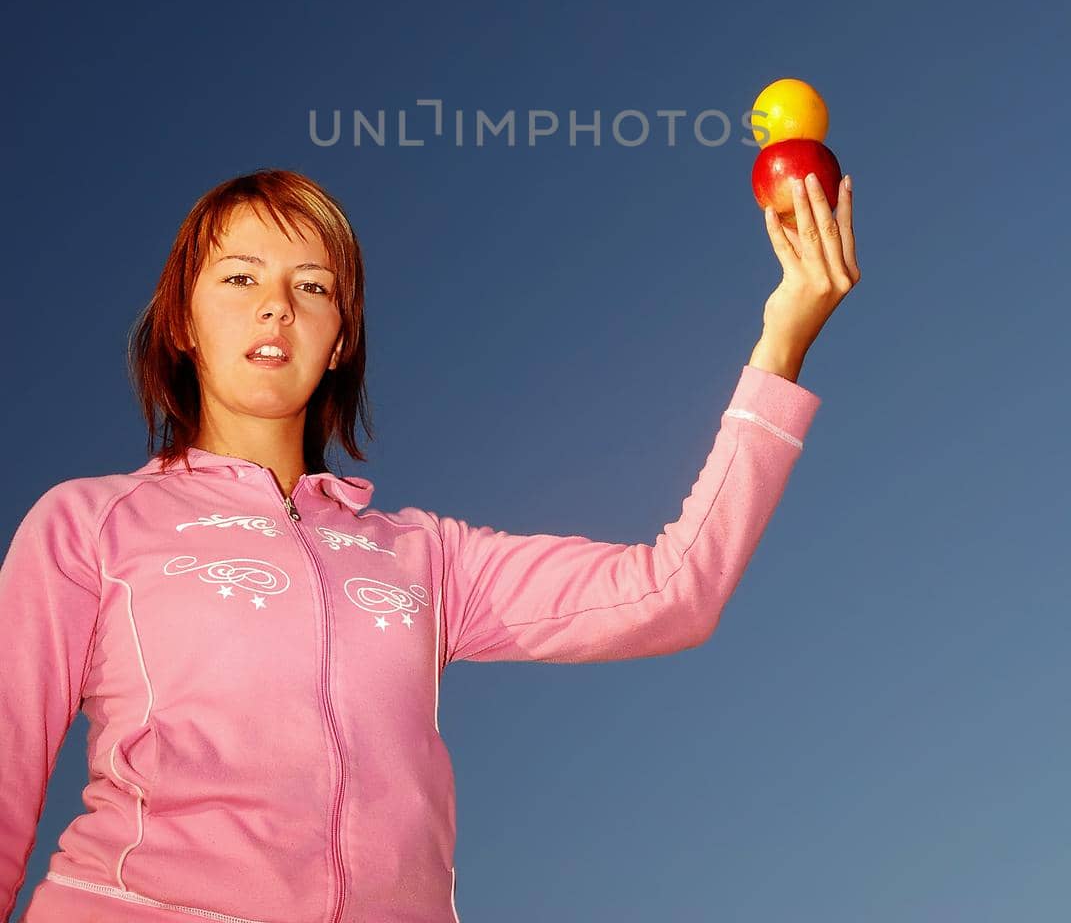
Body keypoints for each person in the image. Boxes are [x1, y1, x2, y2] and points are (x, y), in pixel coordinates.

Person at [0, 165, 859, 923]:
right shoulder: (91, 524)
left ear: (339, 342)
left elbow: (674, 590)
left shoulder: (426, 558)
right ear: (181, 321)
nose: (276, 304)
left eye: (313, 287)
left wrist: (781, 342)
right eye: (237, 277)